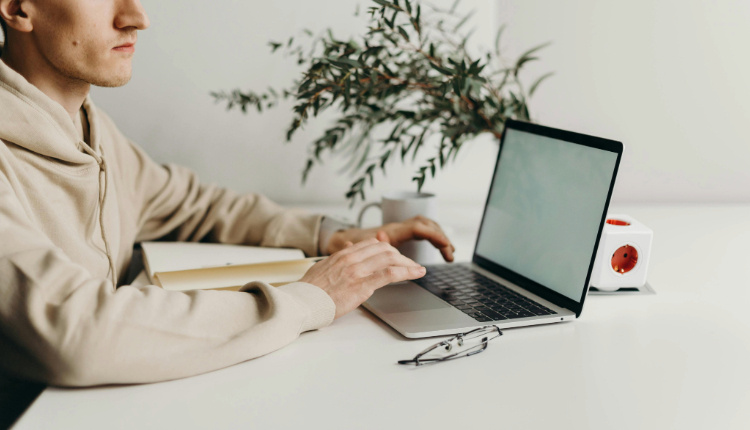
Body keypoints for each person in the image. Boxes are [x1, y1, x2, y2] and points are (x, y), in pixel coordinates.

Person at [0, 0, 455, 387]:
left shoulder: (90, 129)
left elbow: (192, 204)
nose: (137, 17)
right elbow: (80, 335)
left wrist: (333, 235)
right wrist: (308, 299)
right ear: (17, 8)